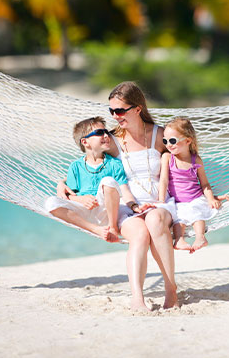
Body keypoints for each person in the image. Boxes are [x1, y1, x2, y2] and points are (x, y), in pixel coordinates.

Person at [57, 81, 180, 311]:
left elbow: (185, 157)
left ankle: (170, 289)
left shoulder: (159, 135)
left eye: (119, 110)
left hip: (159, 201)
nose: (115, 116)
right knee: (140, 233)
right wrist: (62, 183)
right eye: (111, 111)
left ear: (137, 109)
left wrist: (202, 192)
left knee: (154, 221)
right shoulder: (111, 140)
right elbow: (86, 164)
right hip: (127, 205)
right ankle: (137, 298)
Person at [44, 117, 140, 243]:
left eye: (107, 132)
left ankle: (113, 228)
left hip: (107, 211)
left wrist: (134, 206)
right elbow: (68, 195)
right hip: (83, 211)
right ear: (85, 142)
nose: (106, 135)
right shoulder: (76, 166)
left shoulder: (114, 164)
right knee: (50, 202)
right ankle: (95, 229)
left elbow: (124, 190)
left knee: (108, 181)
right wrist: (81, 199)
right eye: (100, 133)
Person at [158, 117, 229, 253]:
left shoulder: (195, 160)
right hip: (176, 201)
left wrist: (210, 199)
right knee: (178, 218)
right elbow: (163, 180)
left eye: (173, 141)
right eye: (165, 140)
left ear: (187, 141)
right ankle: (179, 240)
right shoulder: (167, 158)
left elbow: (205, 184)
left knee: (197, 212)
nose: (168, 144)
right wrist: (161, 200)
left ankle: (200, 237)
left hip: (195, 197)